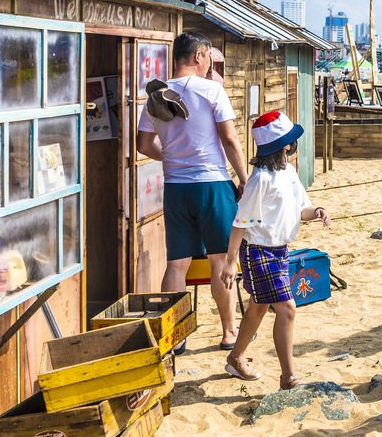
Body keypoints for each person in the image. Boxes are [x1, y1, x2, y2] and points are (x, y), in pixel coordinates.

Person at [136, 30, 249, 350]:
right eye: (208, 59)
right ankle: (228, 332)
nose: (209, 65)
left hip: (175, 187)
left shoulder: (156, 95)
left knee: (177, 265)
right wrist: (244, 179)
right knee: (220, 261)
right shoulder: (212, 91)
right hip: (212, 184)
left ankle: (175, 335)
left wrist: (171, 155)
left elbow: (143, 145)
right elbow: (229, 140)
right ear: (198, 57)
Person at [218, 112, 330, 388]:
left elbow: (301, 210)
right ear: (285, 146)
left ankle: (236, 358)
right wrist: (231, 261)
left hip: (280, 250)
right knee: (287, 308)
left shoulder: (289, 173)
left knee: (258, 307)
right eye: (292, 140)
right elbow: (240, 222)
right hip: (258, 251)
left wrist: (316, 211)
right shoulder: (260, 180)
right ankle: (288, 376)